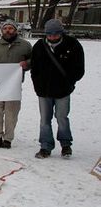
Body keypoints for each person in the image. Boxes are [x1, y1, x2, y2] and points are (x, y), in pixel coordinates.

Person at [30, 18, 85, 158]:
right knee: (44, 120)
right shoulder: (39, 46)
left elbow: (79, 68)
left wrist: (69, 82)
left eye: (55, 34)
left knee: (62, 117)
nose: (52, 37)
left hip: (63, 90)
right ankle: (45, 146)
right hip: (44, 91)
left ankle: (66, 144)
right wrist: (37, 84)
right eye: (49, 34)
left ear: (61, 33)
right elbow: (34, 68)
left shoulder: (73, 44)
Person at [0, 19, 32, 149]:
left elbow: (34, 60)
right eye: (5, 28)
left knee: (11, 113)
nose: (8, 31)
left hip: (13, 86)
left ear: (15, 30)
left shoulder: (25, 46)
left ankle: (8, 138)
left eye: (10, 28)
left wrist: (27, 64)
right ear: (2, 31)